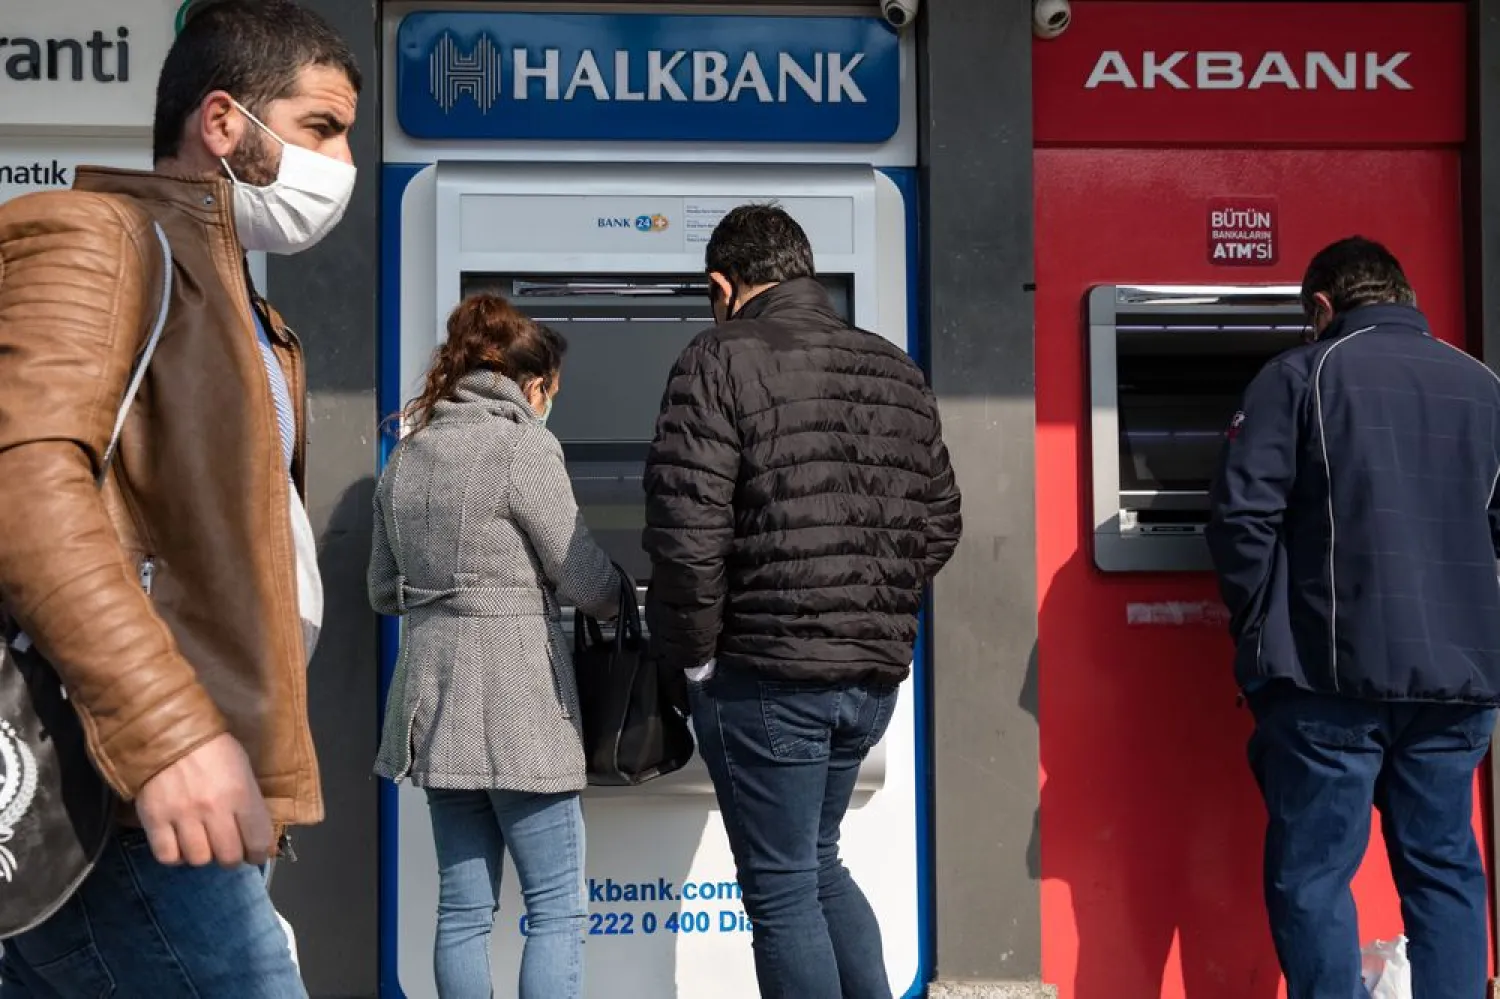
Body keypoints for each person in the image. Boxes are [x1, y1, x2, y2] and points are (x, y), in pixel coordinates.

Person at [0, 0, 358, 994]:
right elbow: (23, 483)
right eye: (321, 129)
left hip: (168, 779)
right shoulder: (100, 236)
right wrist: (171, 740)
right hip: (109, 779)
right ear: (222, 123)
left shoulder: (251, 313)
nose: (342, 166)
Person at [643, 204, 962, 999]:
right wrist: (870, 602)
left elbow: (687, 532)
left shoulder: (716, 359)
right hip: (870, 677)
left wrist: (692, 654)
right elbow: (942, 521)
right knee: (818, 864)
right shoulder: (894, 366)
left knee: (783, 888)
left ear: (724, 285)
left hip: (766, 672)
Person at [1206, 236, 1500, 999]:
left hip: (1328, 673)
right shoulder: (1483, 385)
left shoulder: (1299, 374)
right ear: (1405, 296)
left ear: (1323, 306)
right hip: (1458, 683)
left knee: (1313, 873)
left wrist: (1259, 629)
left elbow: (1242, 521)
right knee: (1444, 872)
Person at [370, 293, 623, 999]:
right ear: (531, 385)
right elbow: (583, 575)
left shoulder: (408, 455)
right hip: (521, 709)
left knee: (462, 912)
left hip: (434, 705)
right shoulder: (523, 446)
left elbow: (380, 589)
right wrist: (623, 598)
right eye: (551, 392)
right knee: (557, 910)